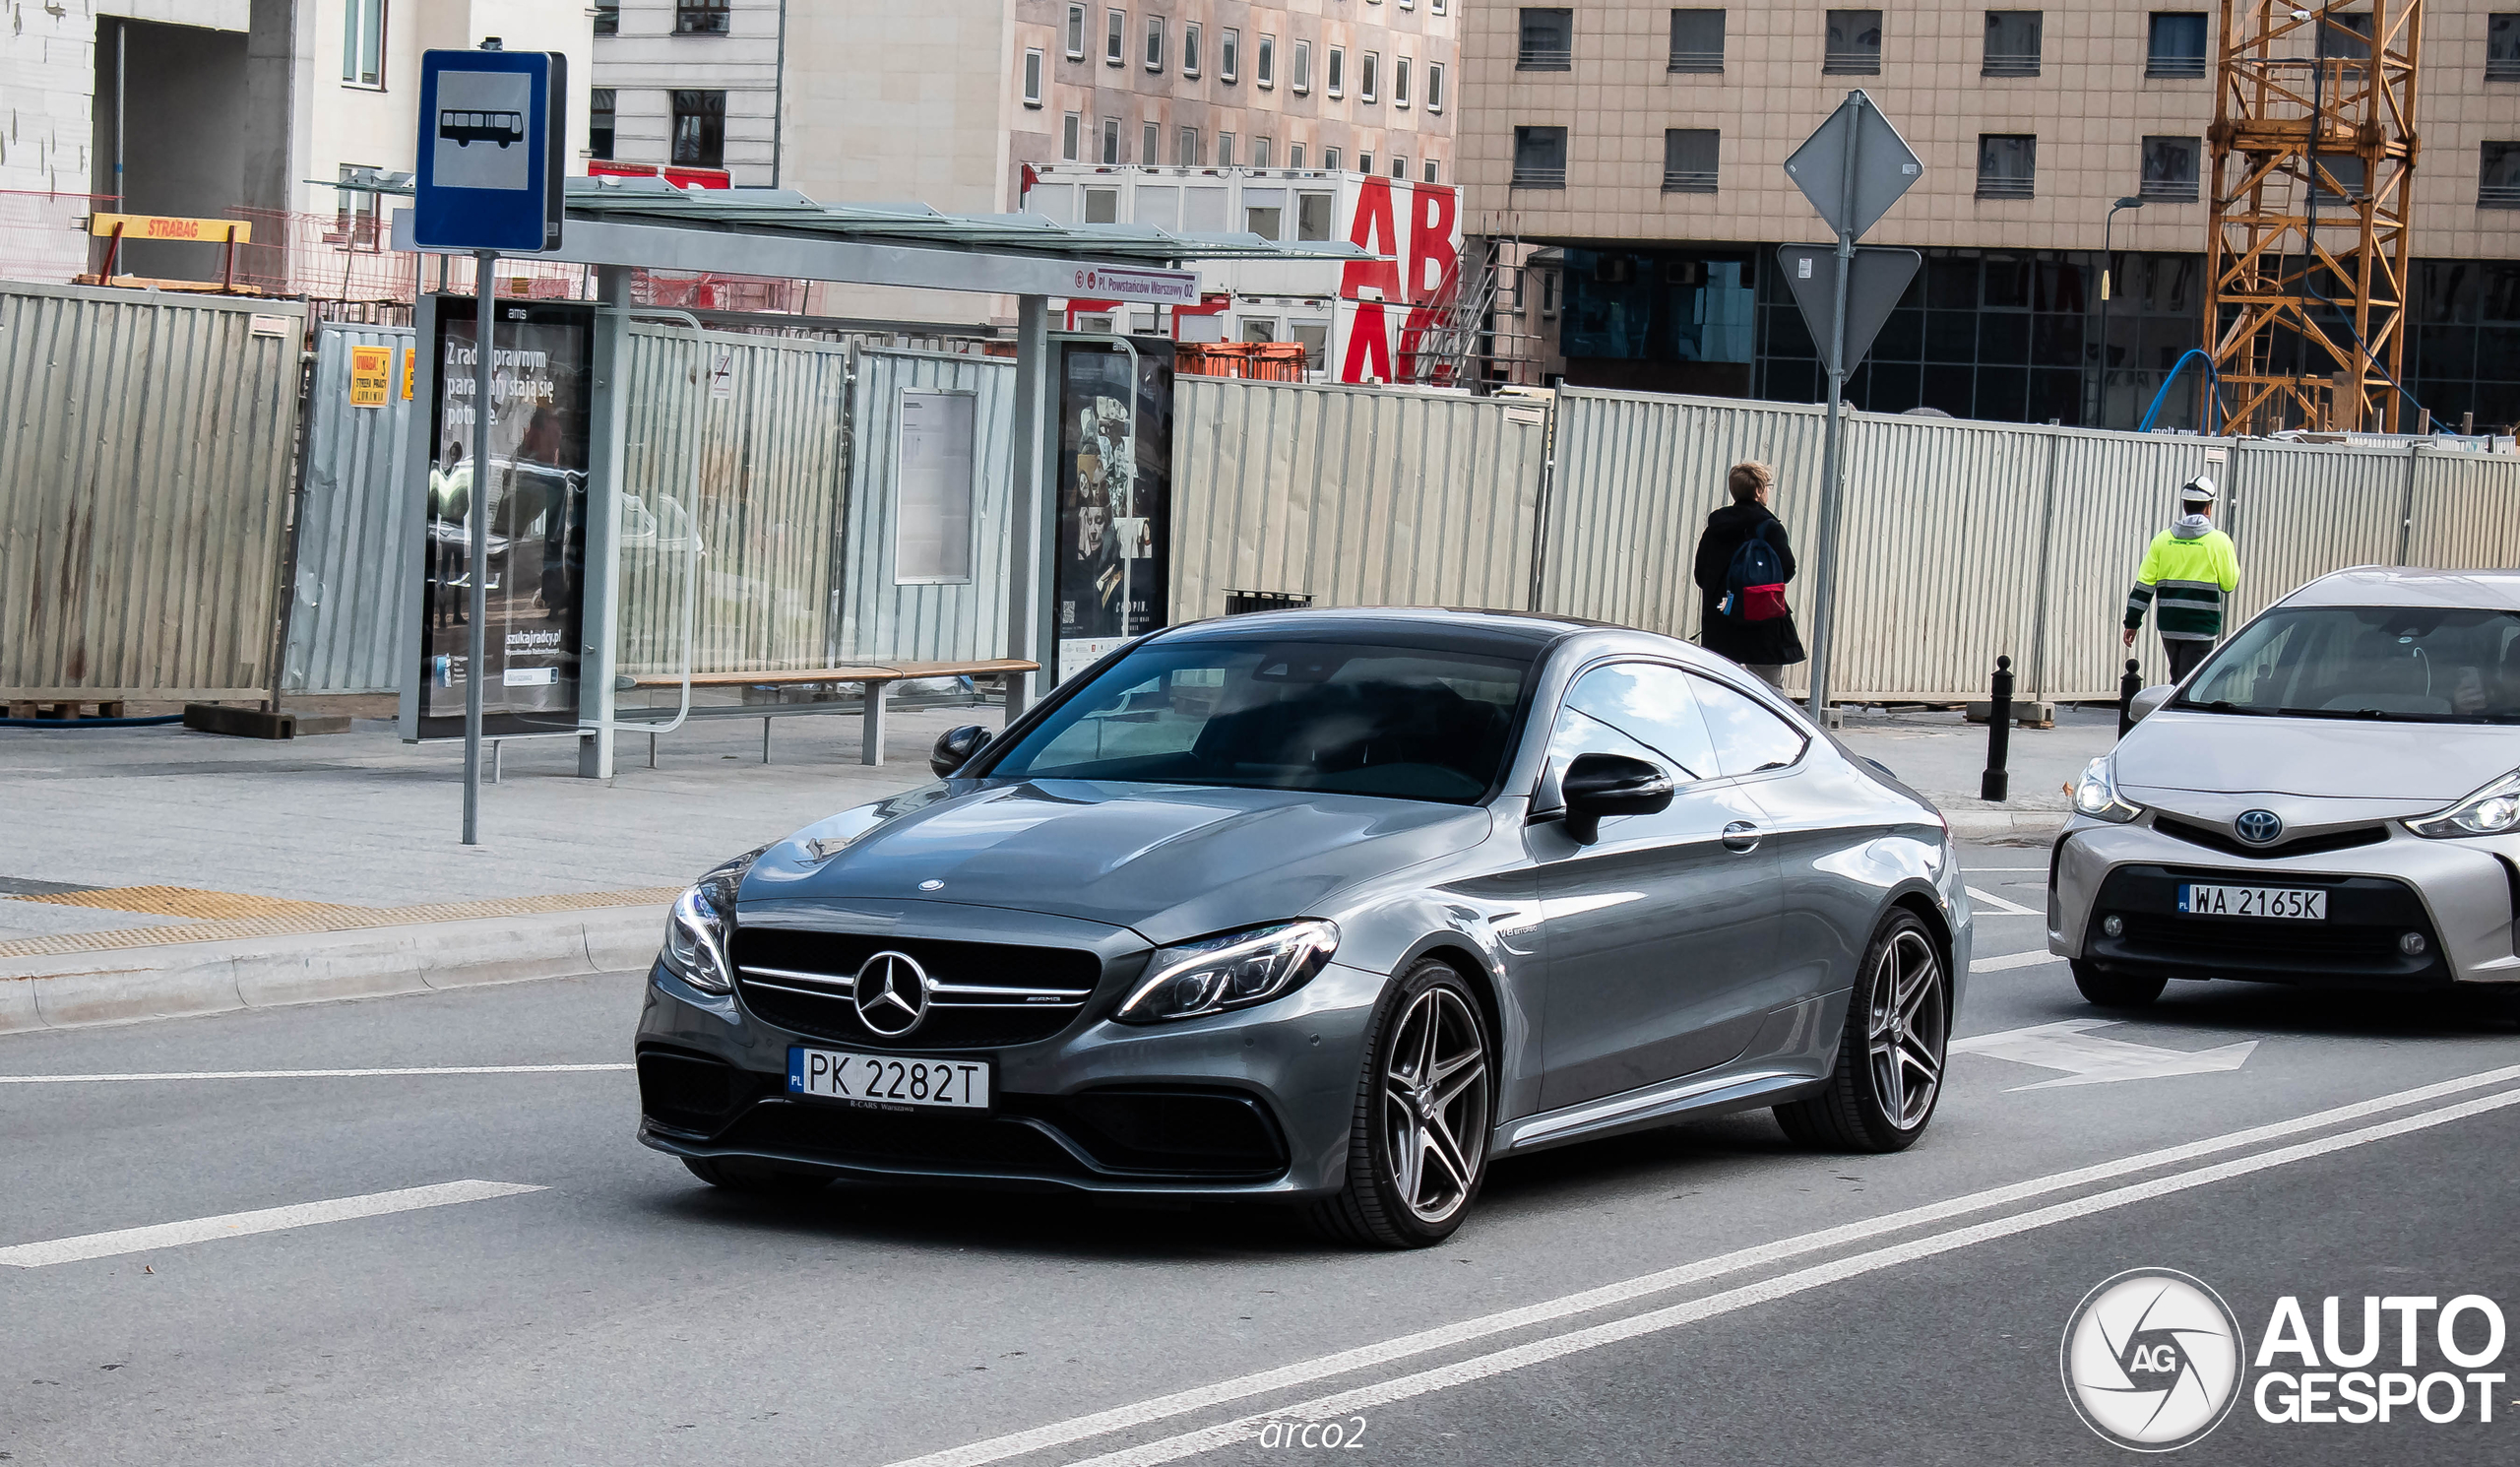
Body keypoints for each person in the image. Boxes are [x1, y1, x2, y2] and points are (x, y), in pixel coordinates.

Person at [1692, 460, 1807, 689]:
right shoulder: (1769, 528)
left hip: (1721, 620)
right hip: (1763, 621)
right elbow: (1787, 569)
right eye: (1768, 486)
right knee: (1769, 693)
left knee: (1719, 688)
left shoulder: (1715, 529)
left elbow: (1700, 575)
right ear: (1758, 490)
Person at [2122, 475, 2239, 682]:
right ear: (2208, 508)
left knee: (2178, 675)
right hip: (2202, 627)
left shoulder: (2162, 540)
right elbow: (2229, 584)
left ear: (2184, 506)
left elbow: (2144, 585)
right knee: (2189, 682)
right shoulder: (2220, 542)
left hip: (2170, 625)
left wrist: (2132, 621)